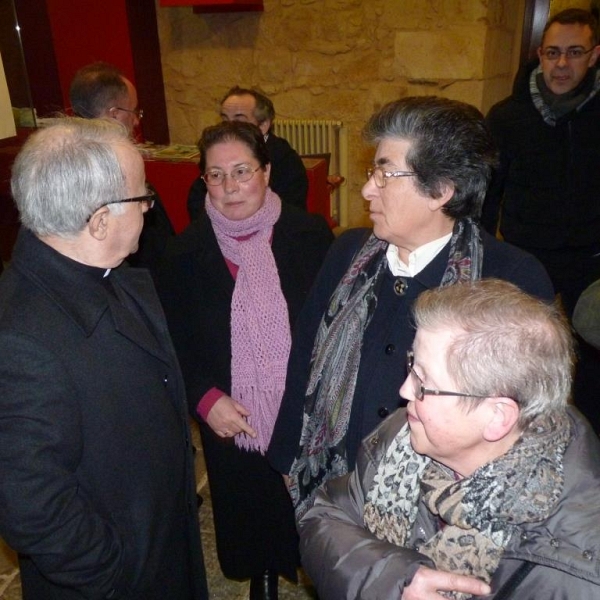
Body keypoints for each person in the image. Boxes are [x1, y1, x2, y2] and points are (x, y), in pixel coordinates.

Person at [267, 96, 555, 519]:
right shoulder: (347, 253)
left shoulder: (511, 279)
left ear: (441, 190)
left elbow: (529, 424)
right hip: (334, 493)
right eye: (373, 171)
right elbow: (304, 358)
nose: (367, 189)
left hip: (441, 513)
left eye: (386, 173)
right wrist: (288, 458)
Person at [0, 118, 208, 599]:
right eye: (143, 197)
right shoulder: (19, 341)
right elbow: (33, 505)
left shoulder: (108, 273)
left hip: (158, 543)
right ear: (98, 221)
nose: (150, 208)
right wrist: (115, 572)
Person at [298, 279, 600, 600]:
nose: (404, 391)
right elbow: (325, 515)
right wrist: (393, 579)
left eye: (424, 383)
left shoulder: (575, 568)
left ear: (497, 417)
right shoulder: (403, 436)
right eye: (412, 365)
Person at [157, 121, 333, 600]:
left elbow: (333, 324)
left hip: (301, 399)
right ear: (203, 181)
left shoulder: (309, 234)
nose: (230, 187)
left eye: (241, 171)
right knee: (248, 503)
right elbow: (173, 339)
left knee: (309, 504)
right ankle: (263, 572)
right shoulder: (184, 252)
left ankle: (314, 564)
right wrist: (204, 398)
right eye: (216, 175)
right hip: (229, 407)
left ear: (266, 171)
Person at [482, 8, 600, 319]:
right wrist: (480, 259)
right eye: (553, 53)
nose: (562, 64)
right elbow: (487, 196)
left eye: (575, 52)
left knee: (591, 350)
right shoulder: (506, 117)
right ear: (540, 54)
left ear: (594, 55)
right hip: (525, 255)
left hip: (592, 259)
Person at [70, 61, 175, 274]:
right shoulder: (129, 181)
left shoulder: (54, 171)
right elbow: (160, 258)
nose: (136, 121)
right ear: (115, 114)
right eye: (134, 111)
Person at [186, 86, 309, 220]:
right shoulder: (218, 154)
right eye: (225, 120)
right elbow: (196, 201)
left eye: (239, 121)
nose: (229, 128)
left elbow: (290, 215)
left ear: (263, 126)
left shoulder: (285, 159)